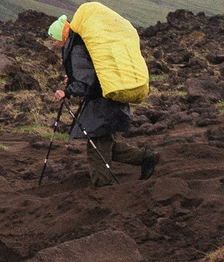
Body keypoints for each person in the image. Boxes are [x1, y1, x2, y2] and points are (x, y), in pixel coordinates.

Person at [48, 14, 158, 187]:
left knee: (97, 142)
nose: (53, 43)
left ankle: (103, 187)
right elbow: (89, 72)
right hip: (109, 94)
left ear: (62, 36)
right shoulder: (78, 44)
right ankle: (145, 158)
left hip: (103, 100)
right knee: (103, 142)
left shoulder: (76, 49)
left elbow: (86, 82)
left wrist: (66, 92)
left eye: (54, 39)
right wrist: (73, 79)